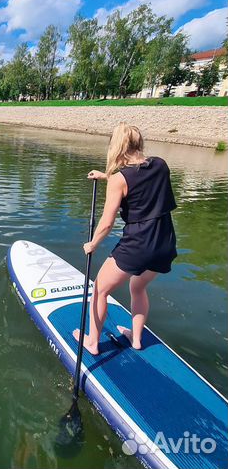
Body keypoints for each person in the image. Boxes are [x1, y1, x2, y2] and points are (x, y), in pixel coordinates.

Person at [73, 122, 177, 355]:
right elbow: (139, 177)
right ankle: (137, 339)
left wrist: (92, 244)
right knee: (138, 287)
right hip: (165, 242)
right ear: (138, 143)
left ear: (116, 146)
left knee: (100, 290)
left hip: (139, 245)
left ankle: (92, 342)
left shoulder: (120, 180)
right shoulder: (161, 165)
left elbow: (107, 223)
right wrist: (107, 176)